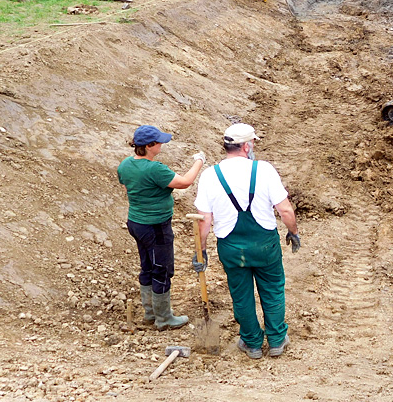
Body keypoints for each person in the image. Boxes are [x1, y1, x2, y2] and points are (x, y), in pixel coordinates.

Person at [193, 123, 300, 359]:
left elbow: (204, 220)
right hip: (265, 245)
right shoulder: (264, 170)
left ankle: (251, 343)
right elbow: (285, 210)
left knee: (241, 295)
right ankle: (277, 340)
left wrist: (200, 250)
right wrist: (293, 232)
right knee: (272, 291)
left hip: (231, 248)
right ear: (247, 146)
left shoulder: (210, 175)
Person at [117, 125, 205, 331]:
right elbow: (184, 183)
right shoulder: (155, 169)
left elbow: (126, 187)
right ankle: (164, 318)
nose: (162, 144)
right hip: (155, 226)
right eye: (159, 142)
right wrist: (199, 161)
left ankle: (150, 313)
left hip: (136, 223)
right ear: (149, 146)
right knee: (162, 269)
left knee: (147, 266)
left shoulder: (125, 165)